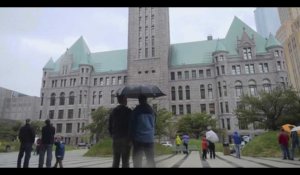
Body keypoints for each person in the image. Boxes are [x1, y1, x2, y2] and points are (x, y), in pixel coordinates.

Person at [130, 95, 156, 167]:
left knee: (137, 160)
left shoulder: (136, 110)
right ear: (146, 99)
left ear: (139, 100)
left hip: (138, 139)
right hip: (149, 138)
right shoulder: (151, 110)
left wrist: (132, 137)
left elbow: (132, 125)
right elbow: (154, 124)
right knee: (150, 159)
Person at [108, 95, 132, 168]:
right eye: (126, 98)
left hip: (116, 138)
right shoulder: (129, 111)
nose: (127, 100)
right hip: (126, 138)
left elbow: (109, 126)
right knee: (125, 161)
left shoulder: (113, 111)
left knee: (115, 160)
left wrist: (112, 135)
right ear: (124, 100)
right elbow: (131, 126)